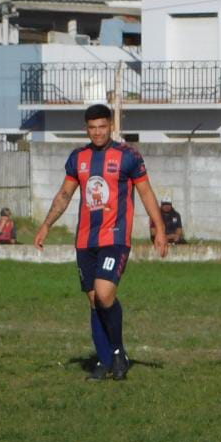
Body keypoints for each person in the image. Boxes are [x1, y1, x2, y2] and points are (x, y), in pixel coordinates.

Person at [34, 103, 167, 380]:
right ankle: (105, 362)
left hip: (115, 238)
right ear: (86, 129)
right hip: (85, 240)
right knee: (95, 300)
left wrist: (160, 228)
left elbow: (146, 192)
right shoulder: (78, 158)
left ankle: (117, 352)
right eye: (92, 128)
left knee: (105, 293)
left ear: (111, 126)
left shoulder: (128, 156)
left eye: (102, 127)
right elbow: (64, 195)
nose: (97, 132)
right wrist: (46, 225)